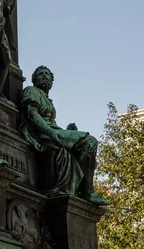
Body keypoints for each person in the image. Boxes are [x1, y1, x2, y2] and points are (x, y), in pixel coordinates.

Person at [21, 66, 108, 205]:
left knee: (88, 145)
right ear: (34, 79)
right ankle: (88, 192)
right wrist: (53, 133)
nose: (44, 76)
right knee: (90, 141)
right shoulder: (31, 91)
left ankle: (85, 191)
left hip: (53, 131)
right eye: (41, 74)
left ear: (52, 80)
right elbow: (32, 114)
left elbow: (51, 124)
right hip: (42, 133)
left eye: (47, 74)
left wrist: (65, 130)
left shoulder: (48, 99)